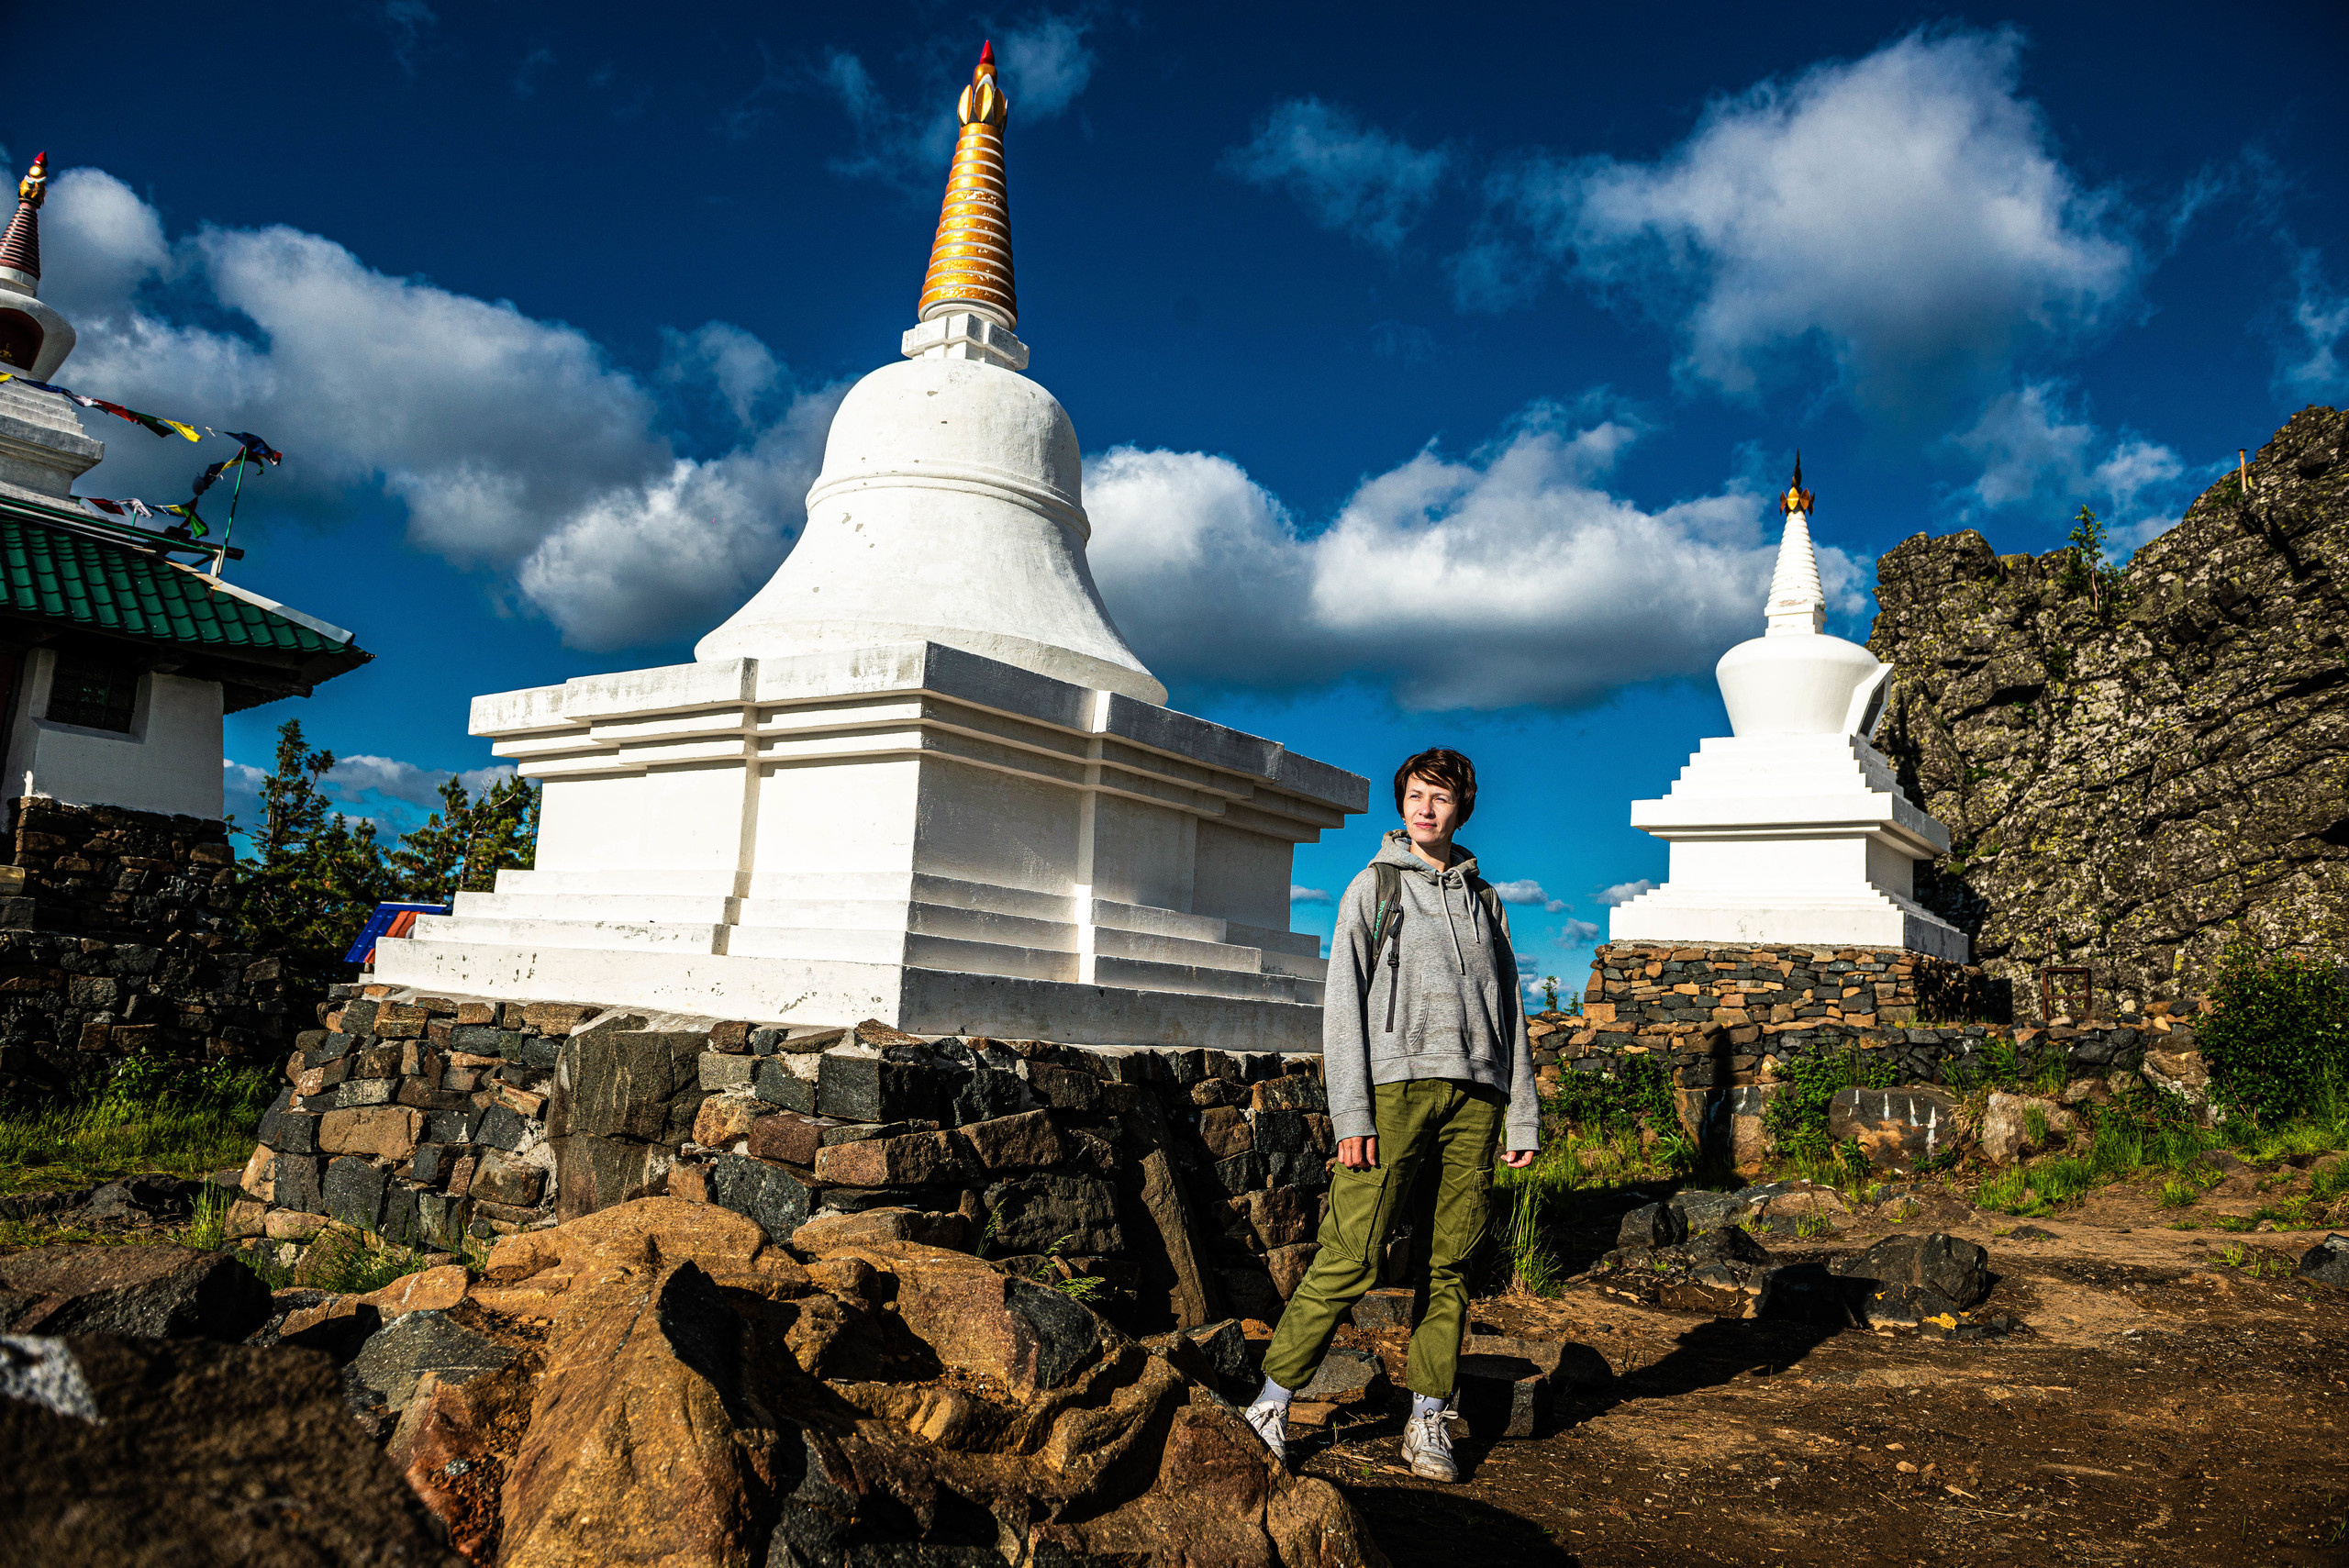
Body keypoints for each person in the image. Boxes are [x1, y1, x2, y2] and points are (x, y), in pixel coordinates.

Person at [1243, 747, 1540, 1482]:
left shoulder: (1486, 899)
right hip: (1392, 1095)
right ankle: (1272, 1401)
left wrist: (1522, 1115)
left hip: (1475, 1097)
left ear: (1460, 806)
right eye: (1413, 794)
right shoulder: (1373, 887)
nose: (1423, 808)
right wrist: (1352, 1116)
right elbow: (1341, 1006)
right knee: (1352, 1251)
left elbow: (1512, 1012)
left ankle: (1428, 1416)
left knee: (1451, 1263)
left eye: (1438, 796)